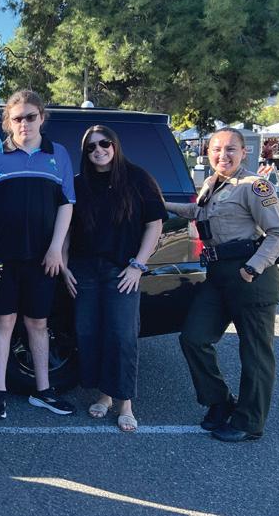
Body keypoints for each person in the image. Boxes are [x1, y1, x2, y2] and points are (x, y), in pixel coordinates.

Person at [165, 128, 279, 442]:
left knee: (255, 353)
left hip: (251, 276)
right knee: (194, 338)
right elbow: (198, 212)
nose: (223, 155)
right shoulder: (211, 183)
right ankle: (219, 401)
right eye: (216, 149)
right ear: (208, 153)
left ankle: (249, 422)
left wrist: (252, 268)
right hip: (218, 276)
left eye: (231, 149)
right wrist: (165, 204)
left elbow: (278, 233)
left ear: (244, 152)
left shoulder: (254, 186)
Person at [0, 89, 76, 419]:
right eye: (17, 118)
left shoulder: (58, 155)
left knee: (38, 323)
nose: (24, 123)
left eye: (31, 116)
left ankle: (43, 391)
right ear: (8, 122)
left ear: (42, 117)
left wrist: (56, 248)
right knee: (3, 321)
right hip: (2, 259)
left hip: (43, 259)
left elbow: (67, 205)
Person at [61, 125, 166, 432]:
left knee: (121, 335)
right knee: (89, 333)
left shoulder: (138, 178)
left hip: (122, 271)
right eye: (91, 147)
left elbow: (155, 224)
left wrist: (138, 265)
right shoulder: (77, 184)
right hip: (83, 270)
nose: (99, 150)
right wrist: (65, 266)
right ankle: (104, 396)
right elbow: (66, 229)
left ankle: (125, 403)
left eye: (104, 143)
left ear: (115, 145)